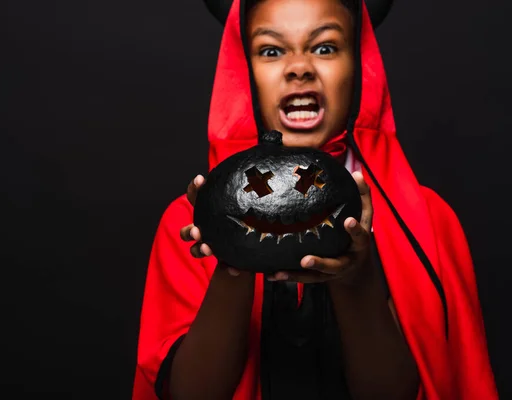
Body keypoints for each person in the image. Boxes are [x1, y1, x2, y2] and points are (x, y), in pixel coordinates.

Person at [132, 0, 499, 398]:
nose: (299, 66)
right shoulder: (187, 221)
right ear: (245, 73)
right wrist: (231, 264)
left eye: (325, 47)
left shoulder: (429, 221)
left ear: (358, 64)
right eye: (271, 51)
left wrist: (357, 279)